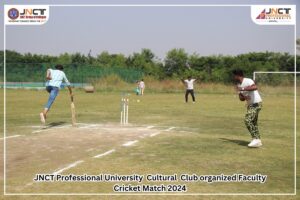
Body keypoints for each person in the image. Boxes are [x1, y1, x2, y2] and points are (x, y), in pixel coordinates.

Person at [233, 69, 263, 148]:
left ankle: (255, 139)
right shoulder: (239, 84)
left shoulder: (248, 80)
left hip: (257, 103)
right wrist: (243, 96)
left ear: (237, 75)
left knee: (248, 120)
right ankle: (258, 140)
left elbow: (255, 87)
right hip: (250, 105)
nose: (233, 77)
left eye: (234, 76)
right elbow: (241, 99)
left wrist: (242, 89)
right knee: (253, 123)